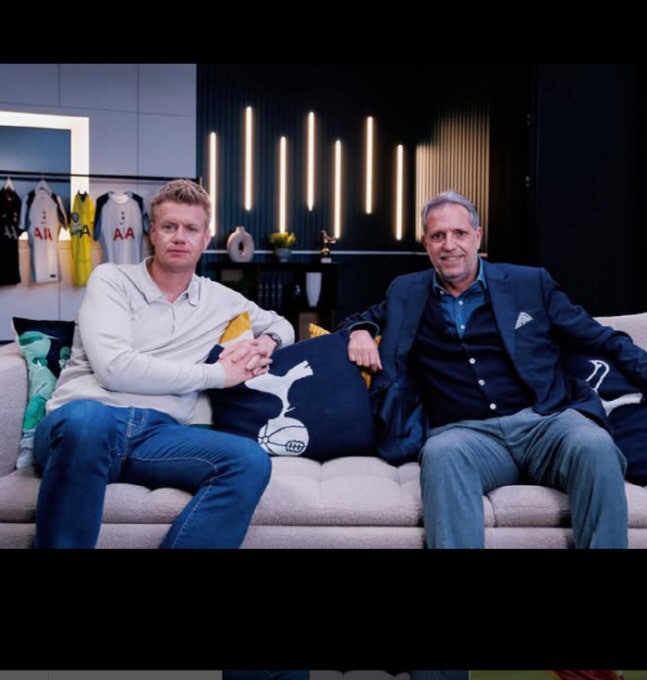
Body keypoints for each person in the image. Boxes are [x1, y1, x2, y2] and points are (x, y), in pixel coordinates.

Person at [340, 190, 647, 549]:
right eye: (438, 236)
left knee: (595, 445)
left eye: (459, 233)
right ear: (426, 243)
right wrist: (360, 331)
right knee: (440, 454)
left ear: (478, 236)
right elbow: (358, 320)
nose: (449, 245)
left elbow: (602, 338)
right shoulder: (407, 291)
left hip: (545, 423)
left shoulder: (530, 283)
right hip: (466, 435)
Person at [33, 179, 295, 549]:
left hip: (156, 437)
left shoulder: (220, 299)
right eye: (169, 226)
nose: (179, 237)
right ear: (152, 232)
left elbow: (282, 325)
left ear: (205, 239)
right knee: (87, 419)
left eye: (191, 229)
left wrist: (267, 341)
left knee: (249, 460)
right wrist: (217, 375)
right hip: (81, 428)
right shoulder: (112, 280)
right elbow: (114, 369)